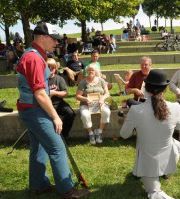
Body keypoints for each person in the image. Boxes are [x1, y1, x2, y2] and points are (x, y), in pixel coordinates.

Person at [15, 21, 90, 198]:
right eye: (54, 39)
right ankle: (67, 190)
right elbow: (40, 93)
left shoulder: (36, 55)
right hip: (35, 110)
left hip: (32, 109)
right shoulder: (33, 58)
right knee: (57, 149)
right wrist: (55, 116)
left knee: (38, 147)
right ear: (43, 37)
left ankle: (39, 185)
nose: (57, 42)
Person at [120, 69, 180, 199]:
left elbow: (124, 134)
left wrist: (133, 125)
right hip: (168, 158)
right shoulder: (175, 107)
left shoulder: (136, 110)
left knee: (154, 192)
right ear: (164, 89)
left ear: (146, 87)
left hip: (147, 162)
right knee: (175, 143)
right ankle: (160, 171)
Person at [76, 63, 111, 145]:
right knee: (85, 115)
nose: (90, 71)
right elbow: (77, 96)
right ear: (86, 71)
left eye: (92, 70)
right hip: (85, 104)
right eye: (88, 70)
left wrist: (102, 99)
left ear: (96, 71)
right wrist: (86, 98)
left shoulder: (101, 81)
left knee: (107, 112)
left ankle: (99, 132)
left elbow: (107, 93)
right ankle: (91, 133)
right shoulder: (83, 82)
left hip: (100, 103)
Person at [47, 58, 75, 143]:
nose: (51, 69)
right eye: (48, 67)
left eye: (53, 67)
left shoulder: (59, 79)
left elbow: (65, 93)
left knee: (71, 113)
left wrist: (54, 93)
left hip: (58, 103)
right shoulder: (41, 79)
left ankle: (64, 135)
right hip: (46, 105)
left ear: (56, 68)